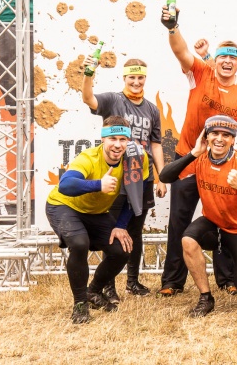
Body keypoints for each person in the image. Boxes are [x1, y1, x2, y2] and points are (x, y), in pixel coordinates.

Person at [158, 7, 237, 297]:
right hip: (189, 159)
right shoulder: (202, 73)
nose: (228, 61)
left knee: (223, 220)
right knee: (179, 221)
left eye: (233, 58)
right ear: (216, 60)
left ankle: (226, 279)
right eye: (223, 56)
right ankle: (172, 281)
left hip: (223, 165)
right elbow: (180, 51)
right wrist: (173, 27)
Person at [159, 115, 237, 317]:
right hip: (213, 224)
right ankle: (206, 298)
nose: (219, 139)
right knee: (188, 240)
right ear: (207, 137)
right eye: (214, 134)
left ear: (233, 140)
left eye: (226, 135)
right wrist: (193, 153)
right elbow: (165, 176)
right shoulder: (200, 158)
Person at [45, 116, 146, 324]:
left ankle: (94, 291)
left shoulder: (136, 160)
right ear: (103, 139)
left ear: (128, 141)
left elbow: (134, 195)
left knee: (122, 249)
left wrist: (120, 226)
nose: (117, 145)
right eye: (112, 139)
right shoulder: (88, 158)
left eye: (123, 139)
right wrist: (98, 184)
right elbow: (65, 185)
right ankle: (80, 303)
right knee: (79, 243)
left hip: (95, 212)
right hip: (64, 205)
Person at [82, 56, 166, 301]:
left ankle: (133, 282)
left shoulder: (152, 109)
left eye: (140, 77)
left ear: (145, 78)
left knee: (135, 231)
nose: (136, 82)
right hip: (117, 175)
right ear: (124, 77)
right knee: (112, 231)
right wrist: (88, 74)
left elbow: (155, 144)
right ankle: (108, 286)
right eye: (132, 77)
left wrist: (162, 177)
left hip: (143, 177)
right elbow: (88, 98)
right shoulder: (113, 100)